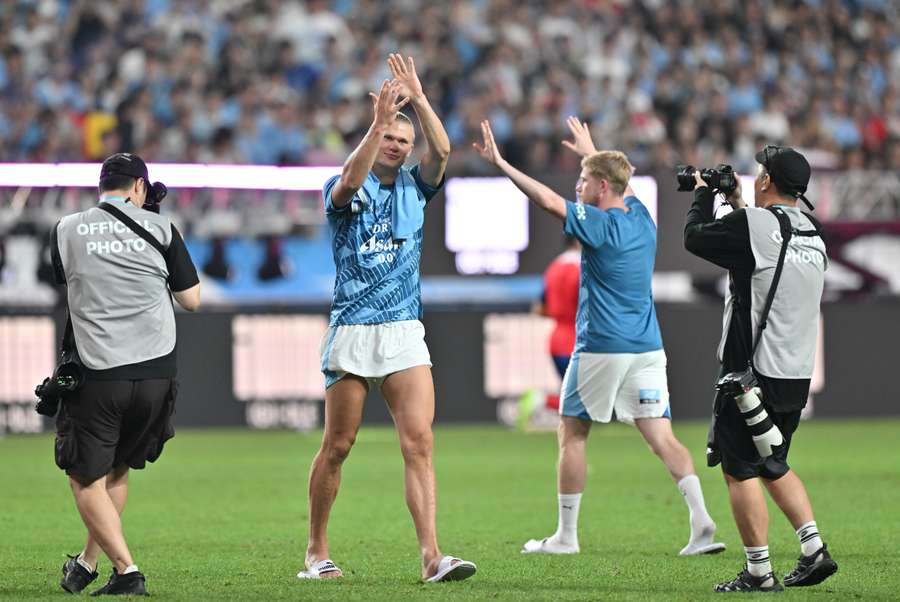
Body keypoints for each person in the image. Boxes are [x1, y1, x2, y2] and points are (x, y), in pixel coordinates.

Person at [474, 116, 724, 556]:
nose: (578, 185)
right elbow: (619, 181)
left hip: (601, 347)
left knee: (572, 433)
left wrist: (502, 164)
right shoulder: (643, 218)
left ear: (601, 188)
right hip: (647, 348)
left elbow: (548, 200)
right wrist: (592, 152)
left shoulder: (597, 225)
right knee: (662, 437)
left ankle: (566, 537)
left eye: (584, 179)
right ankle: (701, 521)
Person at [301, 54, 476, 583]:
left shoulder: (415, 187)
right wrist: (378, 121)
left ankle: (431, 557)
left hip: (403, 329)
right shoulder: (344, 182)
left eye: (403, 139)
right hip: (353, 327)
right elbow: (348, 186)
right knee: (338, 446)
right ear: (374, 139)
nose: (398, 144)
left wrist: (418, 100)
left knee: (419, 443)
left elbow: (443, 150)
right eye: (389, 138)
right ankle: (316, 550)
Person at [683, 145, 836, 592]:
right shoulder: (812, 231)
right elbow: (768, 246)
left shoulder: (755, 225)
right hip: (795, 372)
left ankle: (758, 571)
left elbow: (696, 237)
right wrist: (735, 203)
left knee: (740, 468)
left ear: (766, 180)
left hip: (751, 372)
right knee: (773, 462)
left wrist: (701, 193)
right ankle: (813, 549)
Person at [49, 152, 200, 596]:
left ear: (104, 186)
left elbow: (61, 279)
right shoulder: (161, 227)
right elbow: (191, 300)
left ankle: (128, 571)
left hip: (99, 372)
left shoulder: (67, 228)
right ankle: (87, 563)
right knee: (115, 470)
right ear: (139, 187)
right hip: (156, 374)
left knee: (83, 475)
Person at [518, 235, 580, 430]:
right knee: (582, 395)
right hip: (577, 337)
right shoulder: (582, 267)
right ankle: (540, 400)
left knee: (577, 395)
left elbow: (539, 308)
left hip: (557, 338)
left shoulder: (554, 268)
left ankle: (542, 401)